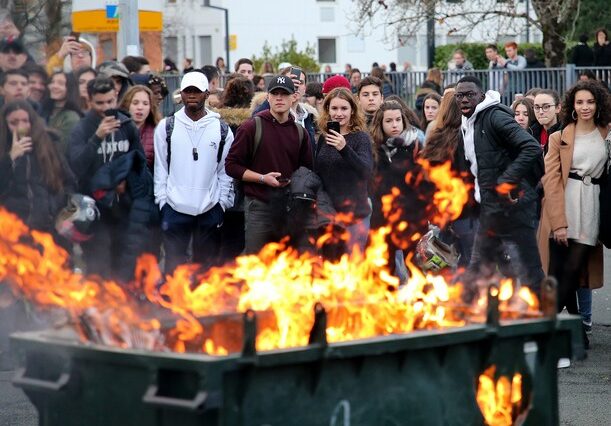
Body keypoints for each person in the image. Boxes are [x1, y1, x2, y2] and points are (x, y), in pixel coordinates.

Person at [456, 76, 544, 291]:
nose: (464, 100)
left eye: (470, 95)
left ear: (481, 96)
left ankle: (546, 319)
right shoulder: (468, 122)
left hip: (515, 205)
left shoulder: (494, 117)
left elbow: (531, 147)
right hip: (491, 207)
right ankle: (466, 317)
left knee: (528, 270)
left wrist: (506, 181)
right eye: (460, 96)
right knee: (478, 267)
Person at [537, 80, 610, 343]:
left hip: (591, 206)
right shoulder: (560, 137)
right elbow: (551, 181)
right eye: (580, 102)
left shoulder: (607, 133)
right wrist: (558, 223)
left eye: (590, 101)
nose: (585, 107)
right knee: (559, 272)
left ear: (598, 103)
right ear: (572, 105)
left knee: (572, 271)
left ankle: (563, 333)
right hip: (562, 206)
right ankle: (564, 335)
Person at [68, 76, 148, 281]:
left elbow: (140, 163)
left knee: (124, 263)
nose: (106, 107)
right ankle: (99, 308)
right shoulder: (82, 128)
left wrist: (127, 182)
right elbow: (75, 167)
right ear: (90, 101)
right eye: (100, 103)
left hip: (123, 207)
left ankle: (122, 309)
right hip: (94, 211)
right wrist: (97, 137)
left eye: (110, 102)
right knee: (98, 265)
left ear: (116, 98)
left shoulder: (127, 125)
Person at [154, 71, 234, 273]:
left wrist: (221, 204)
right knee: (174, 268)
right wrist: (163, 202)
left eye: (196, 91)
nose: (191, 95)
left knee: (205, 269)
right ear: (181, 94)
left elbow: (225, 171)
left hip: (209, 208)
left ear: (206, 94)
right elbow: (161, 168)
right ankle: (171, 301)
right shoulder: (166, 127)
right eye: (187, 91)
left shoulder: (222, 129)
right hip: (173, 207)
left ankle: (202, 303)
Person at [225, 75, 313, 254]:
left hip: (289, 207)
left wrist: (295, 185)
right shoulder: (251, 127)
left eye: (284, 94)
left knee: (287, 264)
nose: (279, 98)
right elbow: (231, 166)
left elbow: (307, 171)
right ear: (268, 97)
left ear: (293, 97)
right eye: (275, 94)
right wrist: (262, 178)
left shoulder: (300, 132)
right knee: (257, 263)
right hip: (259, 206)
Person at [0, 100, 74, 235]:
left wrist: (61, 212)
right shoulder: (3, 149)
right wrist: (9, 158)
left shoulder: (49, 143)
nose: (20, 127)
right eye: (13, 123)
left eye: (25, 121)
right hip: (13, 229)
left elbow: (68, 181)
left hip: (48, 226)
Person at [423, 88, 478, 266]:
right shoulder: (467, 136)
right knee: (471, 260)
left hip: (444, 212)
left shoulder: (436, 137)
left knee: (451, 261)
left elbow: (428, 180)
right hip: (467, 211)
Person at [316, 87, 374, 253]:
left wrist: (344, 148)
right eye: (334, 108)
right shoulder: (323, 138)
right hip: (328, 214)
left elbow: (366, 171)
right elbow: (318, 172)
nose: (339, 113)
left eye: (344, 108)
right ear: (327, 110)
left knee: (352, 265)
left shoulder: (360, 138)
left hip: (354, 215)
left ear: (352, 111)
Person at [370, 100, 425, 268]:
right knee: (385, 268)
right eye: (389, 121)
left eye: (398, 120)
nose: (394, 125)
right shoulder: (374, 148)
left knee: (416, 268)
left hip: (412, 214)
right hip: (383, 215)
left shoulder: (414, 144)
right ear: (380, 123)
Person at [119, 85, 160, 171]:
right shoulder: (117, 128)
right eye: (135, 103)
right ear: (127, 104)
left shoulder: (158, 131)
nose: (140, 107)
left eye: (145, 103)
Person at [40, 71, 83, 153]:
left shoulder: (71, 117)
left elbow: (62, 148)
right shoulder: (43, 111)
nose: (54, 86)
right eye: (52, 82)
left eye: (60, 83)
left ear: (69, 88)